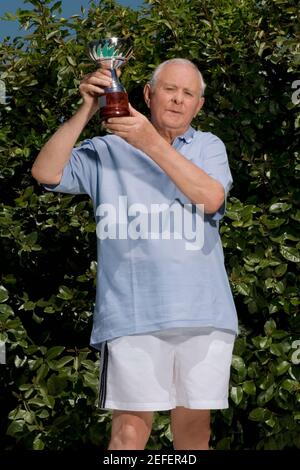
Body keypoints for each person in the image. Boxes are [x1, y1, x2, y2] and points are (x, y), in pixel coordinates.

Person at [31, 58, 238, 450]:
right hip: (132, 312)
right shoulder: (107, 150)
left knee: (194, 434)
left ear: (199, 105)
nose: (177, 100)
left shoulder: (209, 146)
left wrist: (148, 140)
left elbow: (210, 198)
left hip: (203, 312)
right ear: (147, 94)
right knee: (128, 433)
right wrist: (87, 108)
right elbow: (46, 173)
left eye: (188, 94)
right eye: (169, 90)